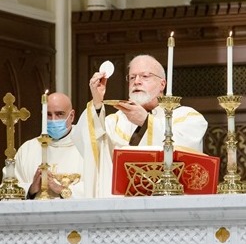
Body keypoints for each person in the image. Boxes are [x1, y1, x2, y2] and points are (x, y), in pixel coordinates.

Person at [71, 54, 208, 198]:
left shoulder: (187, 117)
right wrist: (97, 103)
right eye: (132, 77)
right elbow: (88, 142)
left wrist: (146, 122)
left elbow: (188, 156)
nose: (136, 81)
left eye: (145, 76)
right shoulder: (115, 121)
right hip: (122, 207)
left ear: (162, 84)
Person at [3, 92, 86, 199]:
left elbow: (97, 188)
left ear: (72, 116)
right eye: (48, 114)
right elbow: (7, 192)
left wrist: (61, 190)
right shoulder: (27, 150)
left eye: (59, 114)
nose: (53, 120)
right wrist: (31, 189)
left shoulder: (86, 148)